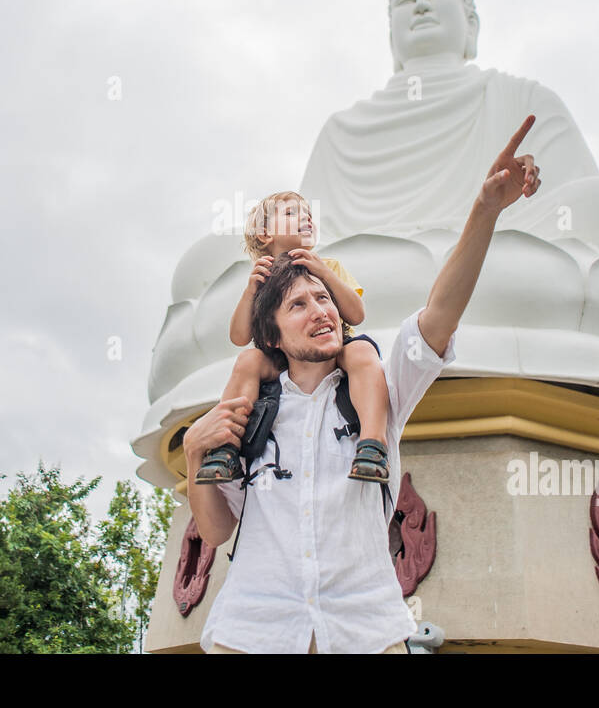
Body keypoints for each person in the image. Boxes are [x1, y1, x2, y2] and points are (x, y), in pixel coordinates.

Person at [183, 114, 542, 653]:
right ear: (271, 333)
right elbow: (214, 532)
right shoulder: (251, 411)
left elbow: (439, 313)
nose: (321, 310)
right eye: (299, 304)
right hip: (252, 632)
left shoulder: (372, 385)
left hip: (367, 630)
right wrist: (193, 455)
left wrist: (485, 211)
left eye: (324, 298)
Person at [193, 190, 392, 486]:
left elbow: (356, 314)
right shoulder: (261, 276)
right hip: (282, 356)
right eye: (291, 213)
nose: (305, 217)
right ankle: (225, 447)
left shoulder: (328, 266)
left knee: (362, 351)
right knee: (248, 359)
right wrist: (251, 291)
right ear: (264, 234)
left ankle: (373, 444)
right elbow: (239, 337)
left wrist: (322, 271)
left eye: (308, 213)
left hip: (331, 346)